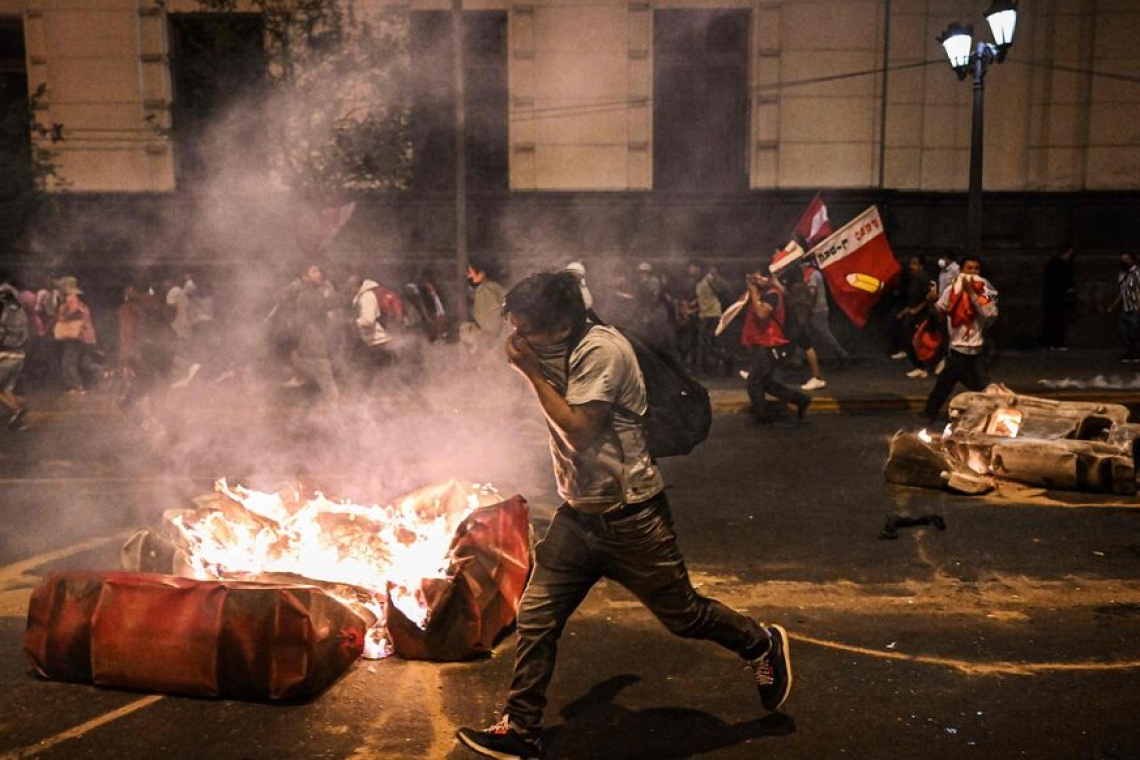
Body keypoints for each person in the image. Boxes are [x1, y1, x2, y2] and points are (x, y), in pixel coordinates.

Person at [456, 271, 792, 760]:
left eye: (526, 330)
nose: (516, 340)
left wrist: (529, 372)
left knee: (684, 615)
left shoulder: (602, 352)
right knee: (536, 617)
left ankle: (759, 643)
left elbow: (578, 432)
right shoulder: (553, 347)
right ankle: (521, 729)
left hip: (631, 517)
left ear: (563, 326)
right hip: (577, 517)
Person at [921, 255, 999, 424]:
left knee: (977, 385)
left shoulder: (983, 292)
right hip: (958, 349)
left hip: (977, 348)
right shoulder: (951, 290)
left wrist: (971, 292)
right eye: (968, 269)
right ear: (962, 270)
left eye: (976, 269)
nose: (972, 272)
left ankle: (993, 417)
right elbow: (939, 311)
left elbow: (989, 313)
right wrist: (930, 302)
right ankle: (928, 415)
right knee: (946, 384)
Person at [734, 263, 811, 423]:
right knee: (766, 383)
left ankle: (761, 417)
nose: (754, 280)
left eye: (757, 276)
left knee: (754, 382)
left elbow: (761, 313)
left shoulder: (772, 294)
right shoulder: (765, 293)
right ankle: (800, 399)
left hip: (768, 344)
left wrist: (754, 290)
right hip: (760, 343)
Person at [780, 262, 827, 391]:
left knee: (780, 347)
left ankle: (817, 378)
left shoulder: (797, 288)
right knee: (806, 347)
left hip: (797, 322)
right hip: (800, 322)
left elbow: (794, 302)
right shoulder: (801, 287)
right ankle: (816, 377)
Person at [53, 277, 98, 395]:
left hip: (73, 335)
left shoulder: (71, 298)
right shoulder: (78, 300)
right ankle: (104, 373)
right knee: (84, 361)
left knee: (68, 362)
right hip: (82, 335)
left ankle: (76, 386)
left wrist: (63, 317)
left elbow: (72, 310)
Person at [687, 260, 731, 376]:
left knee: (704, 342)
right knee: (707, 343)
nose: (690, 270)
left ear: (698, 268)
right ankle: (727, 360)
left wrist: (715, 278)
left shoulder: (709, 278)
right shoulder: (698, 282)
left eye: (692, 268)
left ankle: (702, 369)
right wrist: (692, 306)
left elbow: (722, 290)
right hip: (704, 314)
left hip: (713, 314)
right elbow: (703, 298)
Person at [802, 262, 850, 368]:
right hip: (817, 309)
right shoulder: (812, 273)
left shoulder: (812, 274)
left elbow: (812, 292)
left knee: (824, 335)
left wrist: (807, 305)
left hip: (817, 310)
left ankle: (842, 355)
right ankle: (837, 356)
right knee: (818, 335)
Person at [0, 275, 31, 431]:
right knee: (5, 389)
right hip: (19, 354)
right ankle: (17, 416)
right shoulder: (21, 312)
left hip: (8, 354)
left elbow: (3, 334)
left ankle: (16, 409)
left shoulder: (8, 314)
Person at [460, 261, 507, 353]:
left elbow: (496, 311)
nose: (468, 276)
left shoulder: (486, 289)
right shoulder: (486, 288)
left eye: (470, 272)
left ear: (481, 274)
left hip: (492, 333)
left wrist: (488, 334)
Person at [1040, 248, 1077, 351]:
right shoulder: (1054, 265)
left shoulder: (1065, 265)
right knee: (1052, 321)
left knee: (1060, 321)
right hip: (1054, 297)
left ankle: (1056, 343)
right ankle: (1049, 343)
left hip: (1060, 298)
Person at [1107, 253, 1140, 363]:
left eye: (1126, 259)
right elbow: (1122, 292)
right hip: (1125, 307)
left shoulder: (1137, 273)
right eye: (1122, 259)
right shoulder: (1122, 274)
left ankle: (1135, 353)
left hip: (1135, 307)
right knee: (1124, 331)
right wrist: (1113, 305)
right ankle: (1129, 352)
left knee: (1133, 331)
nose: (1124, 262)